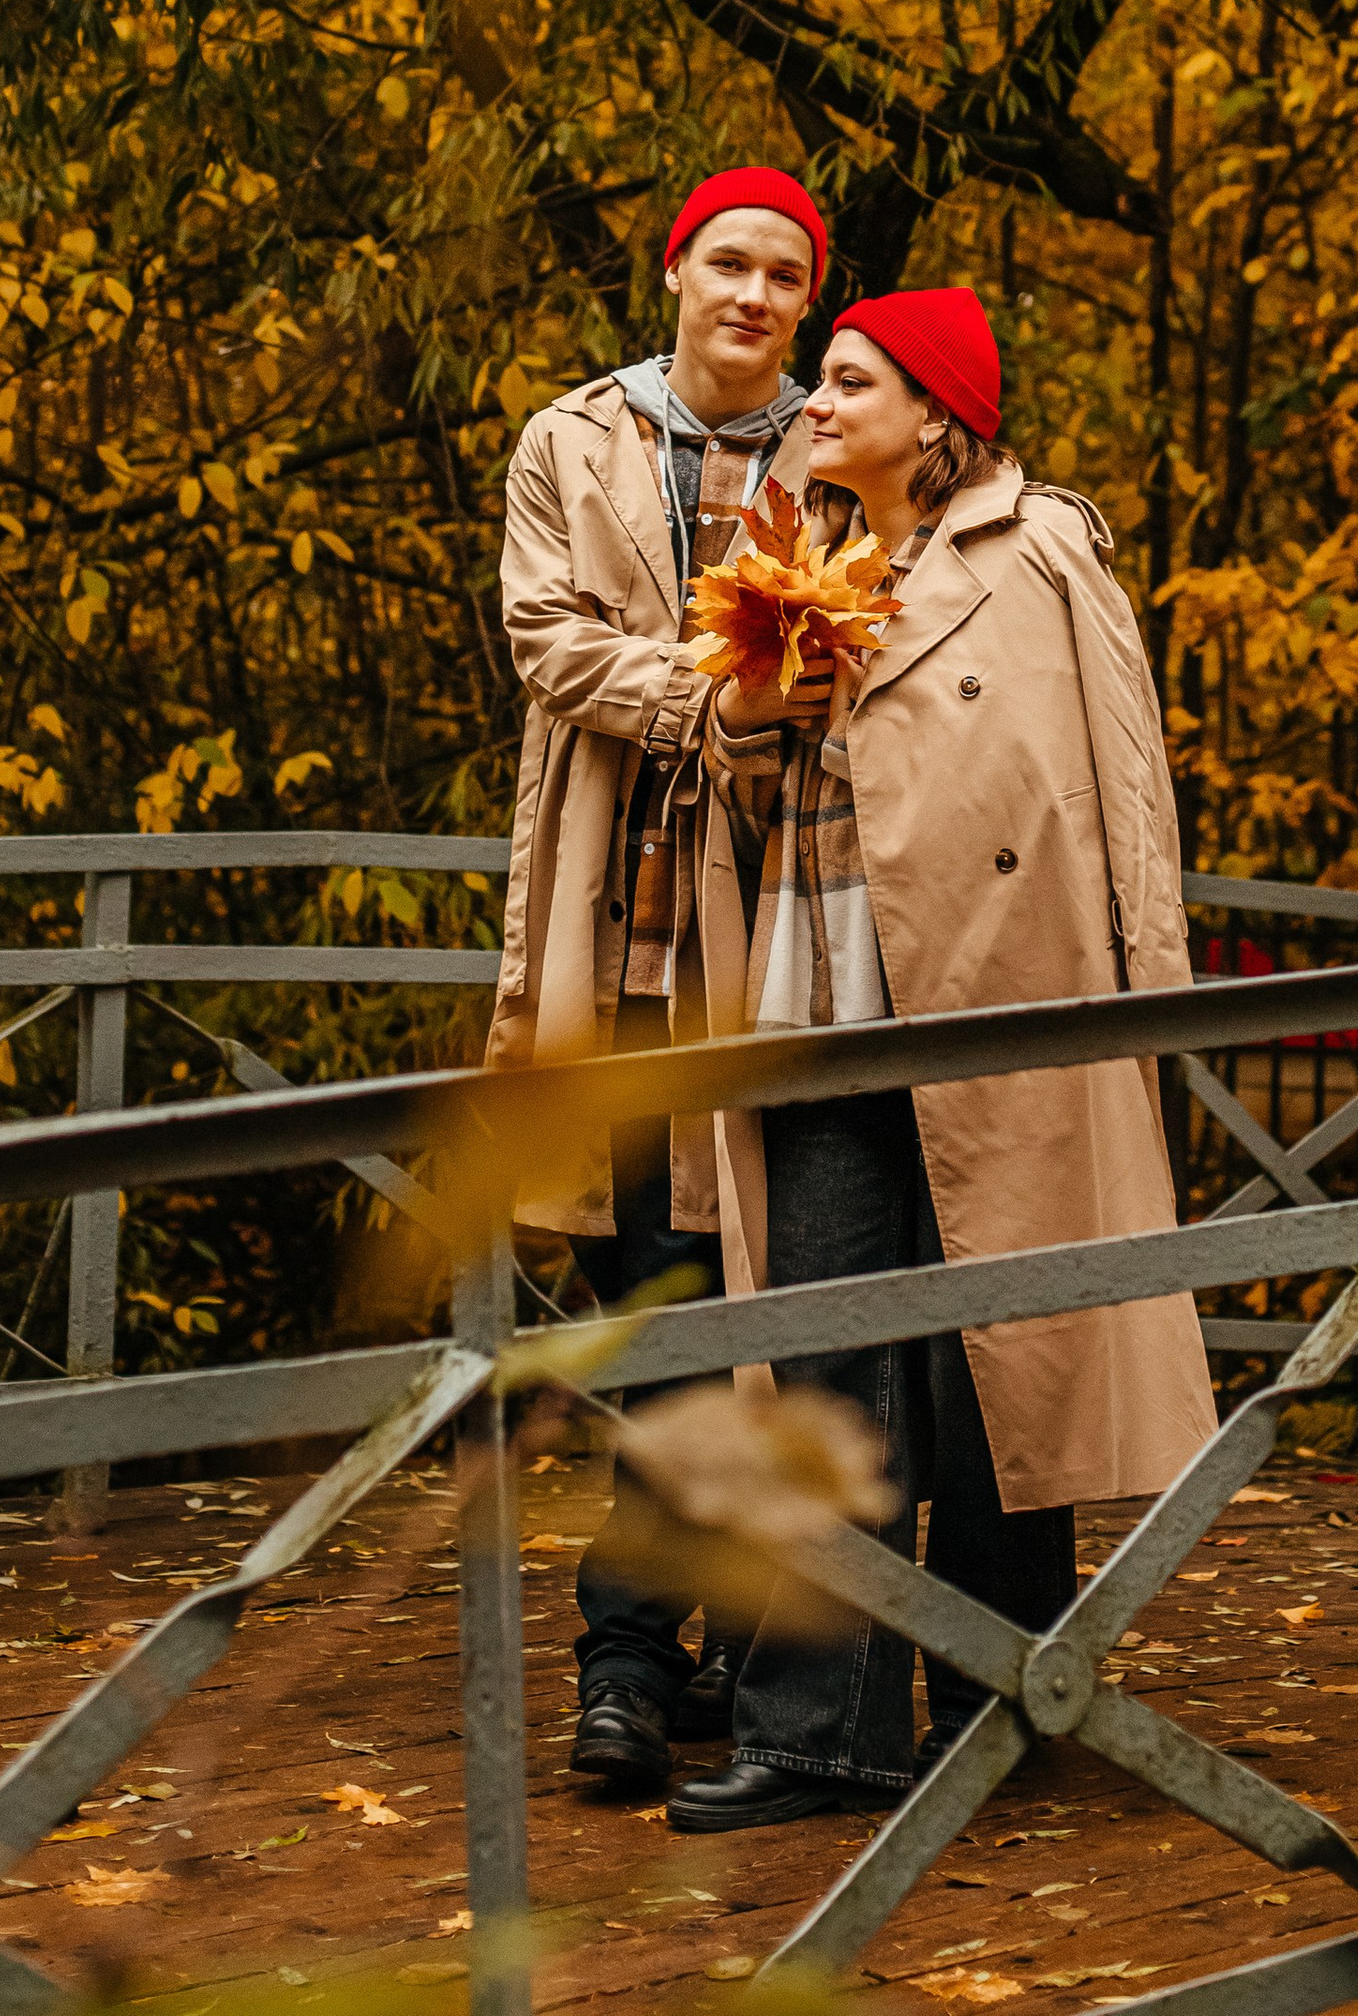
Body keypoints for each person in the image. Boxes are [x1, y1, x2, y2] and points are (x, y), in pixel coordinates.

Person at [670, 283, 1216, 1833]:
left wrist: (1151, 1003)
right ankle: (816, 1737)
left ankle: (1005, 1701)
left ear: (936, 415)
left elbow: (1126, 781)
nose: (818, 402)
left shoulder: (1038, 550)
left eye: (852, 381)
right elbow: (734, 774)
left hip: (999, 1001)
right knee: (824, 1365)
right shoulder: (794, 551)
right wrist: (752, 712)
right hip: (818, 997)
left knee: (1000, 1365)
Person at [490, 163, 828, 1799]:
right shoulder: (572, 441)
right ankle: (642, 1661)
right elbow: (549, 645)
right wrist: (717, 697)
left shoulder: (844, 451)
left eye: (786, 274)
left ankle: (677, 1658)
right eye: (729, 263)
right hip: (620, 944)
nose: (753, 295)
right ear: (677, 271)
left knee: (762, 1312)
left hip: (783, 950)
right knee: (653, 1304)